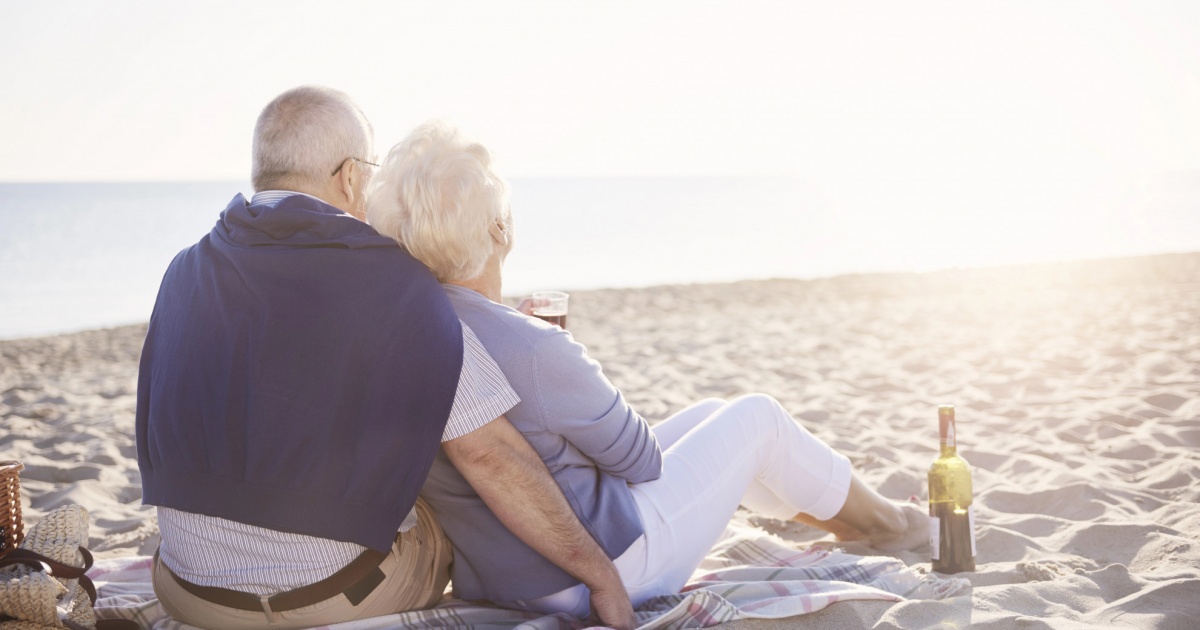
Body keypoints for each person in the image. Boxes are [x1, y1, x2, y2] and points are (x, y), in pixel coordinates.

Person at [365, 120, 930, 617]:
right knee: (758, 419)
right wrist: (559, 358)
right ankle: (887, 523)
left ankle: (849, 519)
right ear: (498, 230)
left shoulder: (412, 332)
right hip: (604, 567)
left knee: (715, 413)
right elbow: (639, 458)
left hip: (501, 577)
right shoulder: (533, 346)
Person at [135, 87, 635, 630]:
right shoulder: (394, 284)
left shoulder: (184, 269)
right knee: (444, 493)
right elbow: (488, 457)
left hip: (187, 593)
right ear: (351, 177)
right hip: (323, 600)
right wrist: (601, 577)